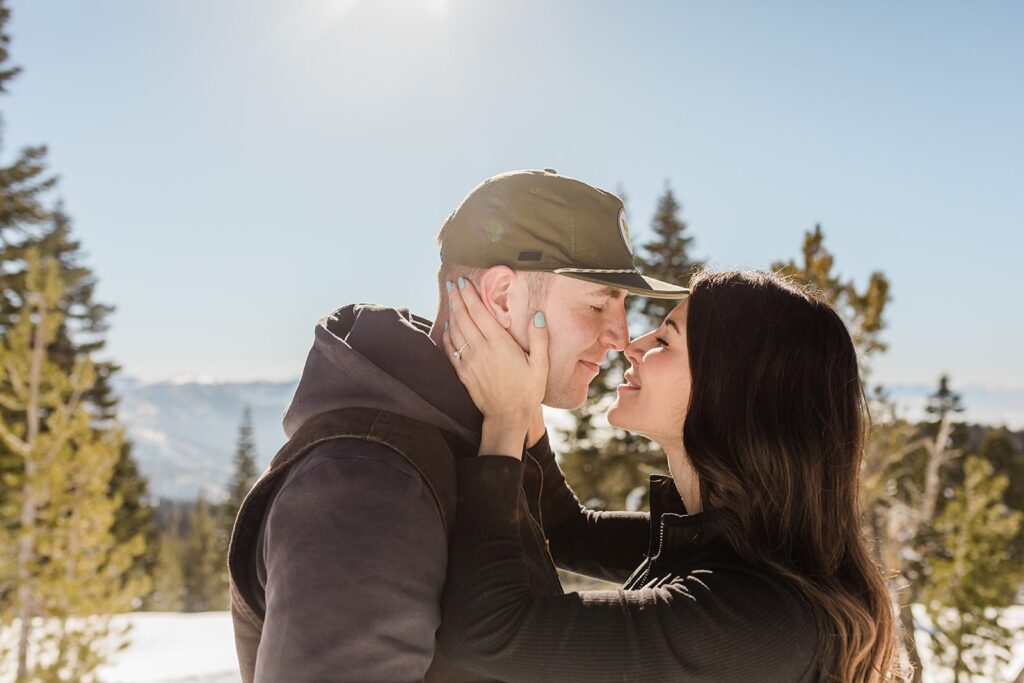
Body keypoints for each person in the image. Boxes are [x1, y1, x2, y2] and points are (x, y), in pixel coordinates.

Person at [226, 169, 687, 682]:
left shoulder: (473, 442)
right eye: (599, 303)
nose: (622, 335)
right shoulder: (368, 484)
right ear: (504, 297)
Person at [438, 269, 903, 682]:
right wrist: (527, 396)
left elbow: (488, 632)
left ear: (731, 393)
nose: (631, 345)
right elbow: (563, 529)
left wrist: (503, 421)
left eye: (664, 341)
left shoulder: (755, 617)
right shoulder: (737, 541)